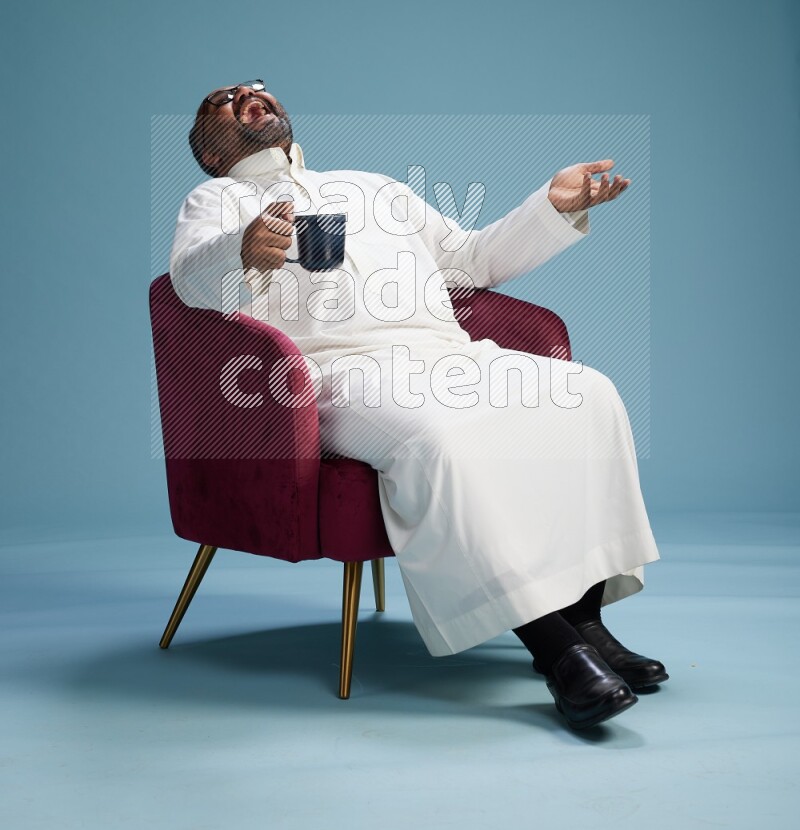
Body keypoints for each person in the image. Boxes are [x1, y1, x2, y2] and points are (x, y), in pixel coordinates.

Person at [169, 78, 668, 730]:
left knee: (588, 394)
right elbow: (185, 279)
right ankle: (556, 649)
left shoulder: (373, 187)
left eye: (258, 90)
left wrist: (550, 205)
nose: (248, 94)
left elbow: (471, 259)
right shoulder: (215, 197)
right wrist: (239, 249)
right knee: (440, 437)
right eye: (225, 99)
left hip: (447, 356)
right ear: (210, 149)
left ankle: (589, 622)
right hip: (335, 374)